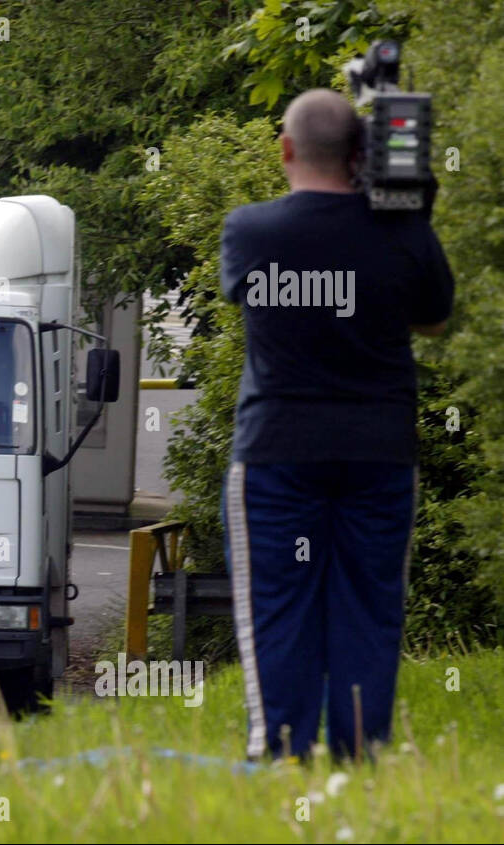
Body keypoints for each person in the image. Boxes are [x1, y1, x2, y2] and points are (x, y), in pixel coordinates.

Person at [219, 88, 453, 761]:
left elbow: (273, 300)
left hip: (277, 451)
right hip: (379, 451)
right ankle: (358, 756)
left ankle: (281, 757)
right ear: (361, 155)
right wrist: (405, 210)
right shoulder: (398, 231)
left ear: (287, 149)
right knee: (368, 607)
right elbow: (434, 317)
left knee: (278, 606)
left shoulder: (250, 230)